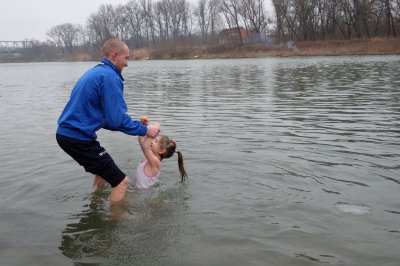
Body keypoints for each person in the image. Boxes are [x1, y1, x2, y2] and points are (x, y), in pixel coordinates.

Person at [56, 37, 159, 203]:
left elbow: (107, 120)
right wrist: (146, 130)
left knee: (102, 171)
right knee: (121, 182)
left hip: (66, 135)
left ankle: (95, 204)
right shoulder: (110, 77)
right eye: (126, 58)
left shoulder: (95, 72)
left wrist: (136, 126)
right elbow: (116, 120)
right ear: (115, 55)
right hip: (77, 138)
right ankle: (114, 223)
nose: (127, 63)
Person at [134, 117, 187, 189]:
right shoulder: (149, 158)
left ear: (161, 150)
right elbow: (141, 140)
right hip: (138, 190)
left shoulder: (156, 163)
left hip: (143, 195)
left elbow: (145, 146)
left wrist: (153, 130)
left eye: (155, 141)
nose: (152, 141)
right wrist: (145, 127)